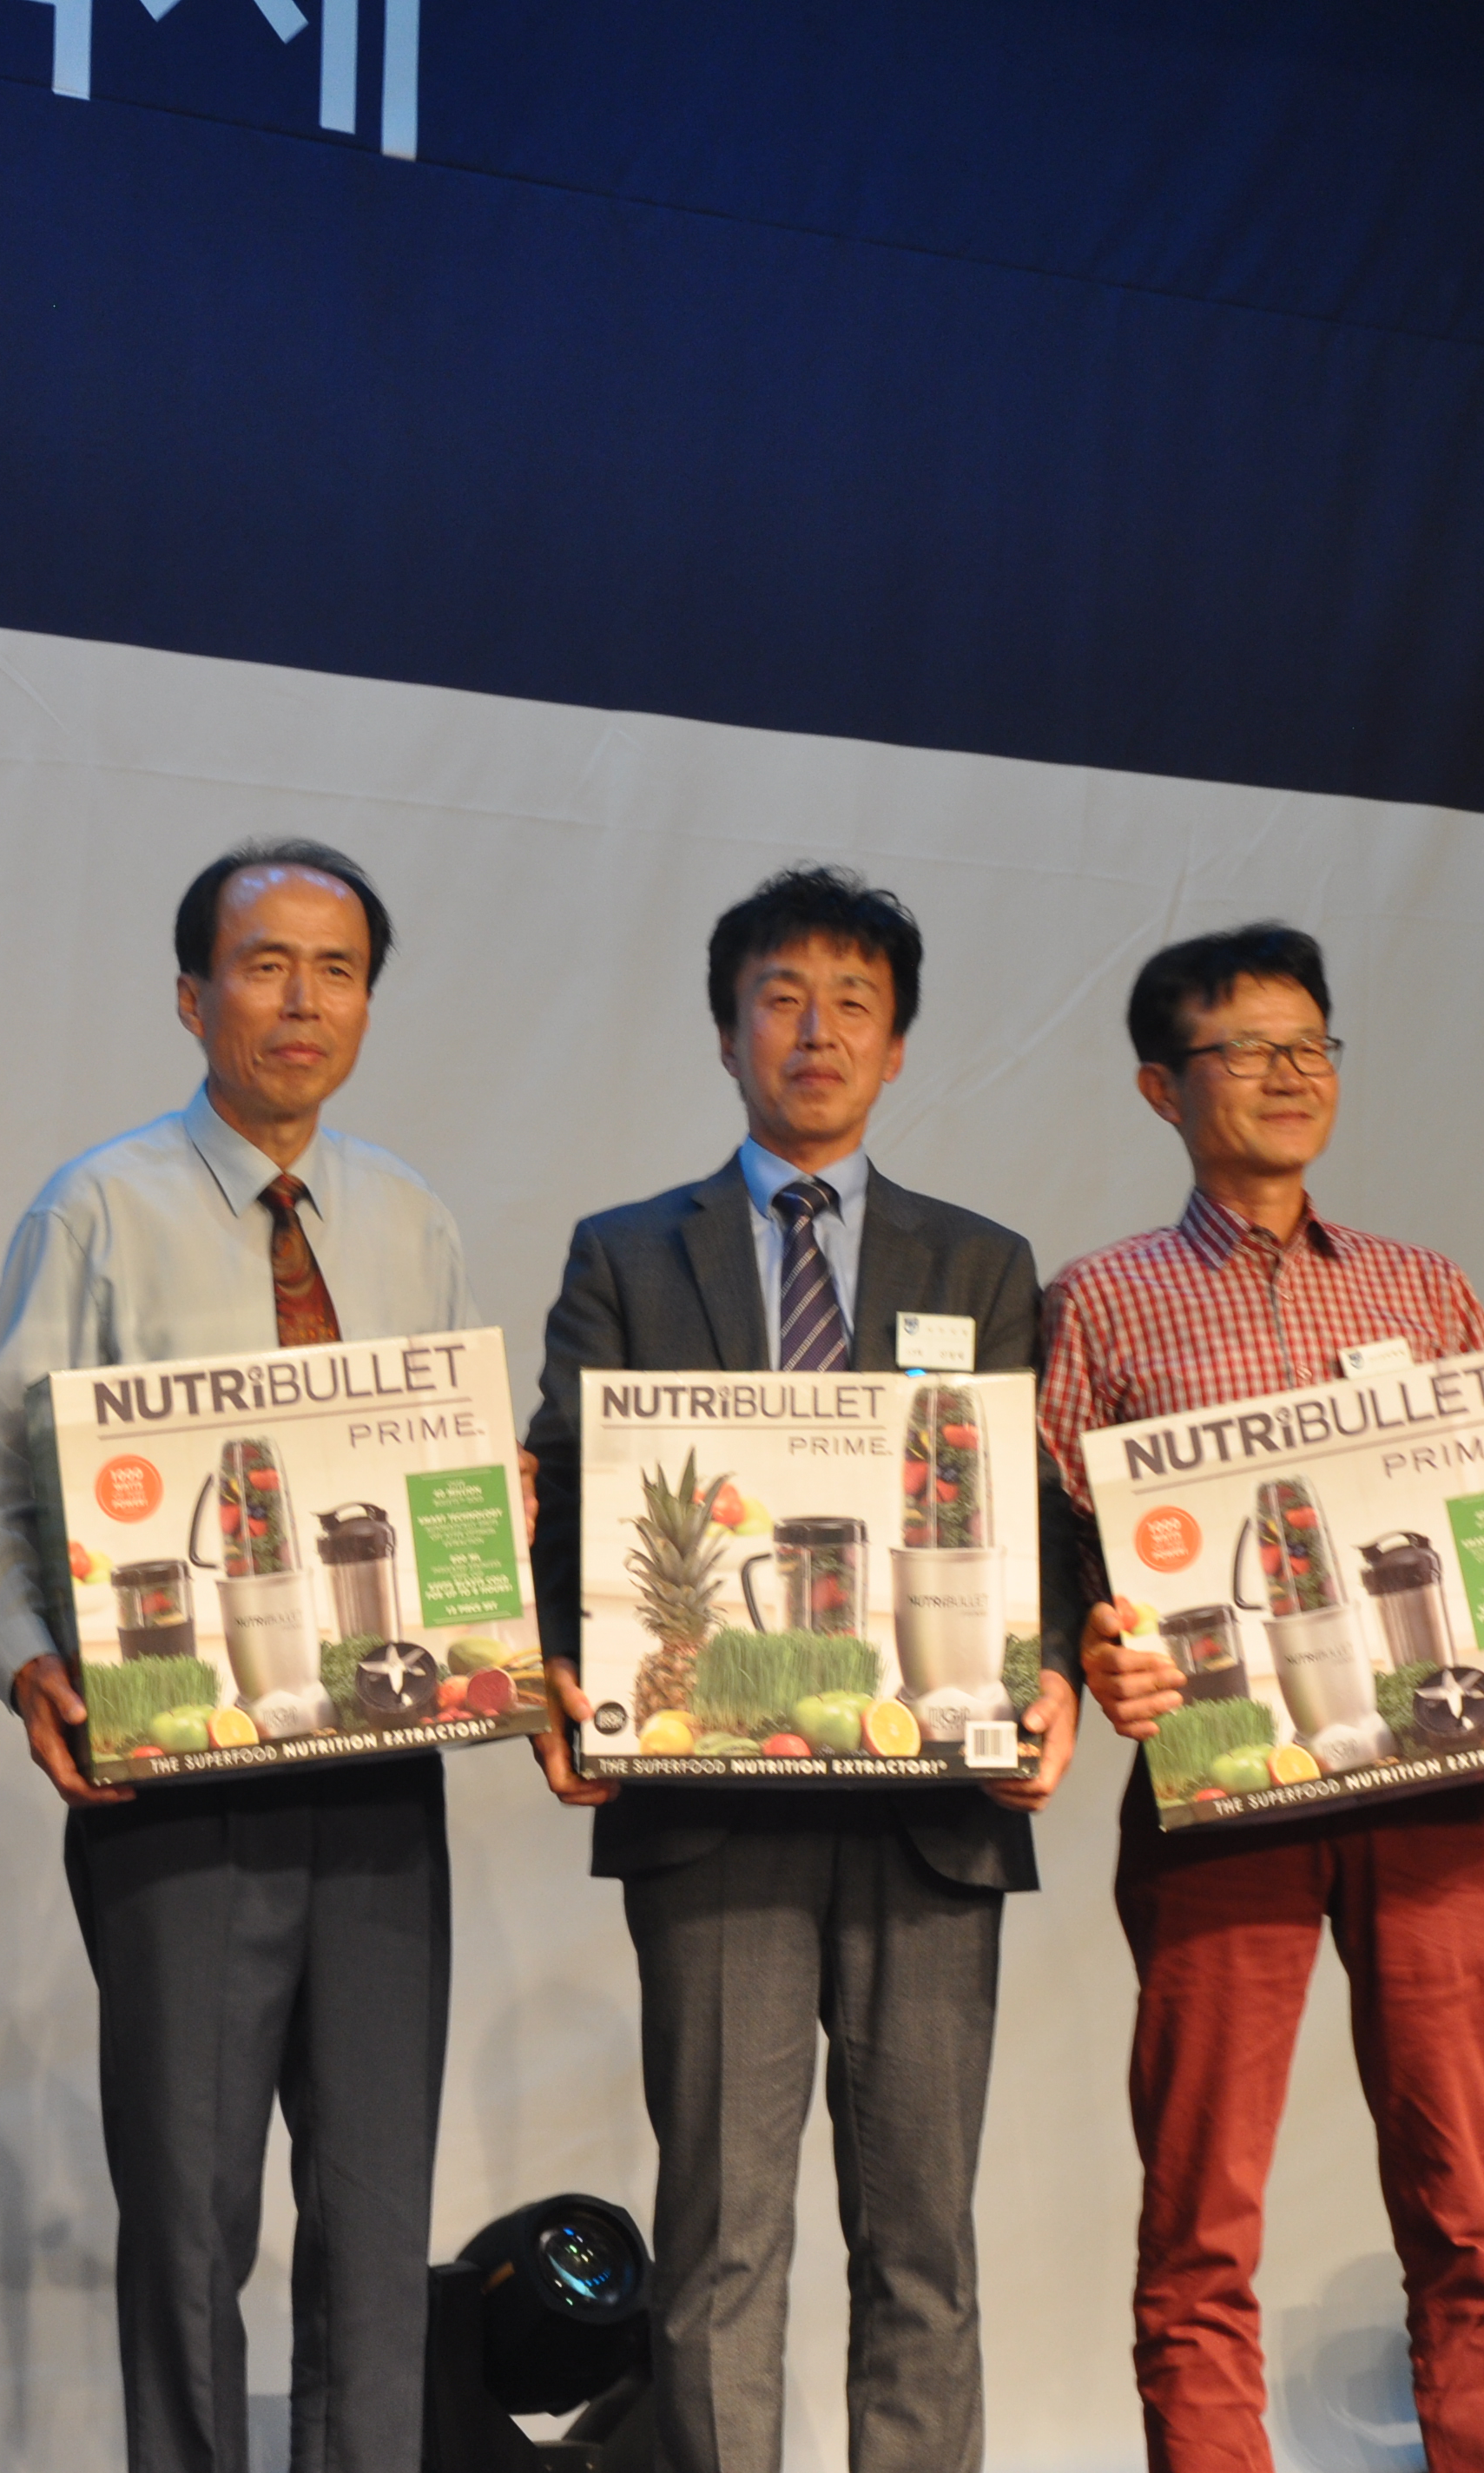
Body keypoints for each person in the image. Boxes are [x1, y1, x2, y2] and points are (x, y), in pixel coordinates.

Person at [1039, 921, 1484, 2473]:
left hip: (1433, 1797)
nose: (1289, 1072)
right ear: (1161, 1087)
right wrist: (1088, 1646)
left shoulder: (1419, 1285)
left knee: (1464, 2206)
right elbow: (1053, 1545)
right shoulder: (1100, 1303)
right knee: (1200, 2219)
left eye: (1311, 1043)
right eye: (1246, 1047)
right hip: (1219, 1798)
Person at [522, 865, 1077, 2473]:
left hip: (930, 1811)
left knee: (924, 2246)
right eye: (781, 998)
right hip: (710, 1816)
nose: (816, 1032)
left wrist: (1044, 1675)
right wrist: (556, 1672)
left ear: (897, 1047)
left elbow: (1027, 1514)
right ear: (726, 1034)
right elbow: (568, 1495)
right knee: (720, 2242)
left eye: (854, 1004)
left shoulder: (981, 1263)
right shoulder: (628, 1254)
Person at [0, 840, 478, 2473]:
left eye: (337, 970)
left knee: (378, 2216)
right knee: (190, 2217)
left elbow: (443, 1478)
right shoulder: (98, 1206)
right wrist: (25, 1657)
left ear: (368, 1003)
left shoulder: (410, 1218)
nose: (302, 1000)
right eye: (265, 964)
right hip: (174, 1779)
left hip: (380, 1772)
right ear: (193, 997)